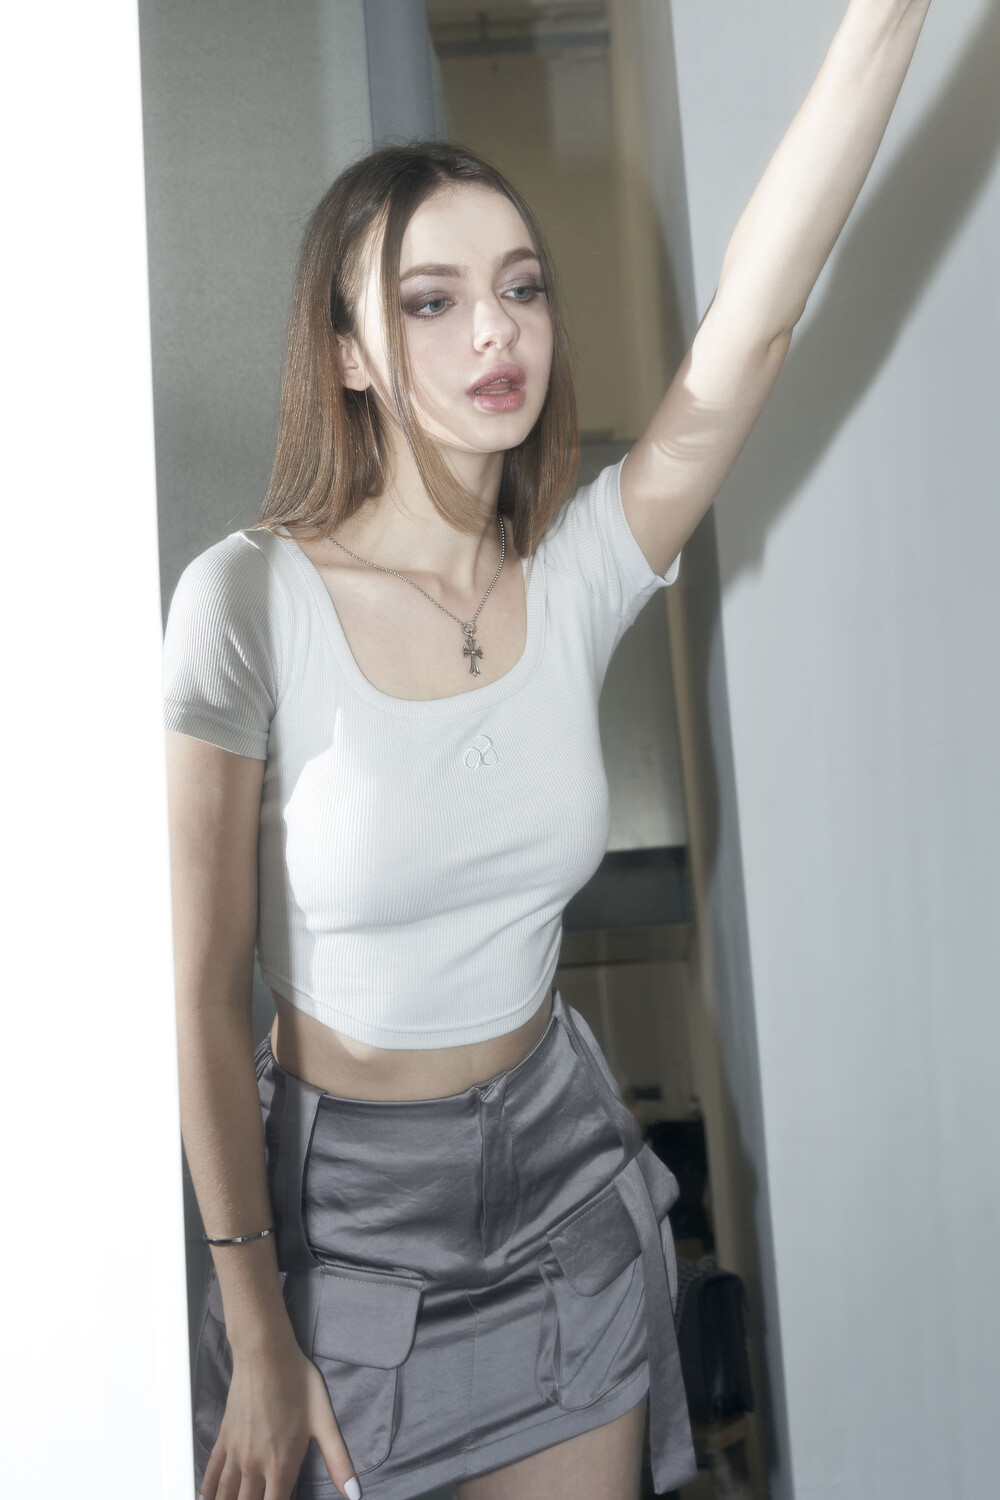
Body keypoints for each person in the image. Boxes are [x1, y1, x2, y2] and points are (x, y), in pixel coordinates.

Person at [162, 7, 932, 1498]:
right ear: (348, 353)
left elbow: (755, 325)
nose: (496, 332)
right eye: (433, 300)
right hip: (340, 1229)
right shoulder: (244, 601)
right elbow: (199, 996)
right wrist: (256, 1325)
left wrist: (887, 16)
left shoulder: (573, 577)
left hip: (559, 1180)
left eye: (521, 287)